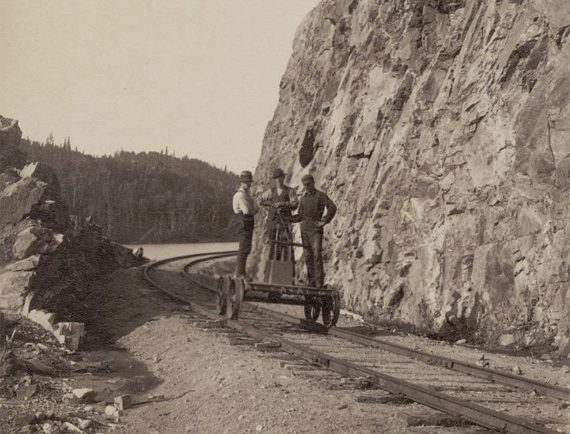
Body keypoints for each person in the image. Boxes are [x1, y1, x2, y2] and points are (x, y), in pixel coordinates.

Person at [291, 174, 337, 287]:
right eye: (305, 185)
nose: (307, 186)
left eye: (308, 184)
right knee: (308, 256)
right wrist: (288, 218)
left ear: (313, 183)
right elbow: (300, 216)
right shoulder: (303, 198)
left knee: (316, 254)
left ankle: (319, 283)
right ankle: (312, 283)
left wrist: (324, 221)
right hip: (304, 229)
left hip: (316, 230)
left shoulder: (320, 196)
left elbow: (332, 207)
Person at [260, 168, 298, 262]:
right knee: (272, 246)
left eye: (279, 177)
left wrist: (283, 204)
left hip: (285, 222)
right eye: (276, 178)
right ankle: (272, 271)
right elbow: (260, 200)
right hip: (272, 222)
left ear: (283, 178)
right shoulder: (271, 191)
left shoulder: (290, 191)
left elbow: (295, 204)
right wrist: (268, 205)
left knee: (286, 246)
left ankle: (286, 272)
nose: (278, 180)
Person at [232, 170, 256, 277]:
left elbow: (255, 208)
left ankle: (241, 273)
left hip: (247, 222)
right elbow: (247, 210)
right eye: (247, 182)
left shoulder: (246, 195)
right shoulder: (241, 196)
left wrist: (253, 209)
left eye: (249, 182)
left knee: (246, 248)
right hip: (244, 222)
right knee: (244, 248)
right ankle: (239, 274)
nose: (249, 184)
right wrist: (253, 209)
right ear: (242, 183)